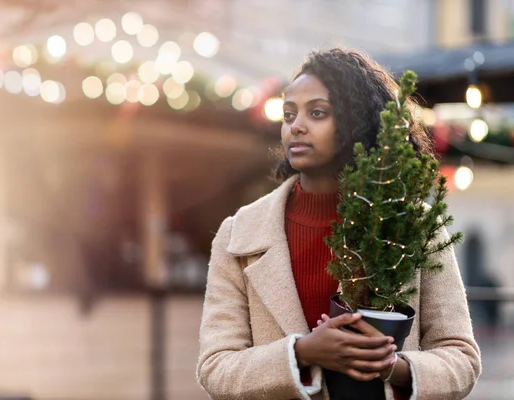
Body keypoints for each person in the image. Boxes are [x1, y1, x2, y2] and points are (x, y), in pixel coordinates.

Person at [196, 49, 481, 400]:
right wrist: (301, 353)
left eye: (317, 112)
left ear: (357, 122)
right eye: (289, 114)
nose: (295, 125)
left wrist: (391, 366)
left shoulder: (413, 223)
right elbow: (216, 367)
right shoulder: (238, 235)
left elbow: (461, 358)